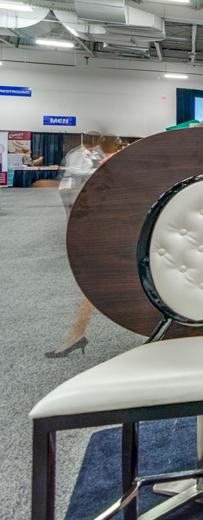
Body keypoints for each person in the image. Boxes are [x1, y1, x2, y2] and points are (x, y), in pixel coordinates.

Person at [47, 132, 114, 359]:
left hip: (90, 197)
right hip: (76, 192)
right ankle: (76, 334)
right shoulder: (79, 154)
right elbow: (75, 173)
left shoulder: (97, 155)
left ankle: (77, 334)